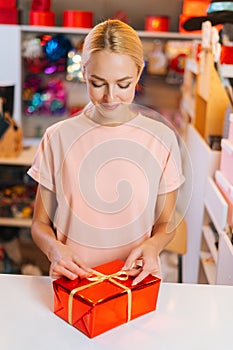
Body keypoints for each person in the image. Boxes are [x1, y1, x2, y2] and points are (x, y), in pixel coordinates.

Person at [28, 19, 185, 285]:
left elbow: (166, 223)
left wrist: (154, 246)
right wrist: (55, 250)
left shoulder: (162, 139)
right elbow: (39, 225)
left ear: (138, 73)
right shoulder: (58, 138)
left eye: (123, 84)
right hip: (73, 284)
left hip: (134, 283)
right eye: (98, 83)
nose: (110, 97)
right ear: (84, 72)